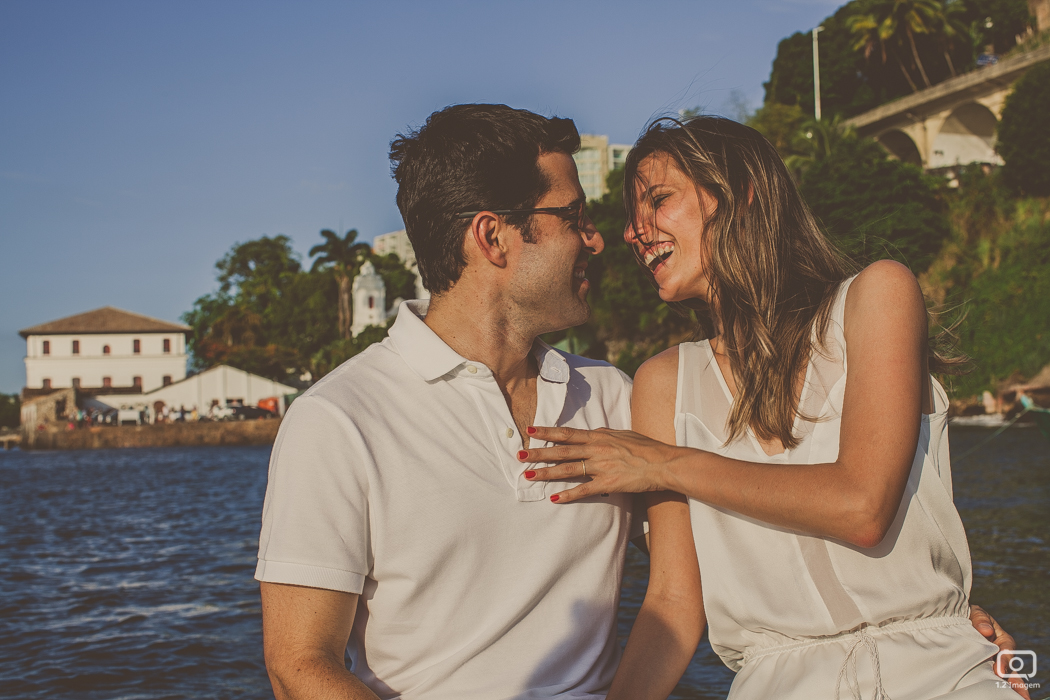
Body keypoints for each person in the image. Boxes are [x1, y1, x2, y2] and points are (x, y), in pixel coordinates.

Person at [521, 116, 1028, 700]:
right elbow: (675, 603)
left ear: (743, 192)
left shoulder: (877, 297)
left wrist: (663, 463)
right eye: (633, 216)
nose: (636, 232)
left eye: (658, 200)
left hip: (946, 674)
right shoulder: (663, 383)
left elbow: (862, 506)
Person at [256, 104, 633, 699]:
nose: (596, 239)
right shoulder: (338, 420)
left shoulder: (612, 396)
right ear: (492, 237)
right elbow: (299, 665)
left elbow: (704, 571)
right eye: (573, 216)